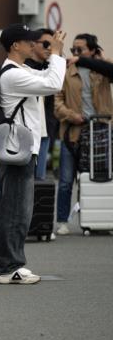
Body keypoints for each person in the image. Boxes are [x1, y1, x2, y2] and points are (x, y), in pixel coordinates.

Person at [0, 24, 66, 284]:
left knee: (10, 210)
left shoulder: (19, 70)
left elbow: (47, 77)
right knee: (16, 212)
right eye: (29, 41)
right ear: (15, 45)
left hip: (17, 149)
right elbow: (54, 83)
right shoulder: (13, 75)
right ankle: (8, 267)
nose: (34, 45)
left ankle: (3, 266)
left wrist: (52, 55)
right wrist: (56, 53)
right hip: (17, 151)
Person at [54, 33, 113, 236]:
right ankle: (62, 221)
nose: (75, 53)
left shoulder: (101, 71)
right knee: (66, 180)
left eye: (80, 50)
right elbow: (57, 102)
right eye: (73, 50)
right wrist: (72, 116)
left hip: (100, 133)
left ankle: (95, 221)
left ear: (92, 51)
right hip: (73, 133)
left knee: (97, 179)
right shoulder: (66, 71)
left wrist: (100, 59)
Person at [25, 29, 60, 180]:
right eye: (46, 44)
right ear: (33, 44)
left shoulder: (51, 66)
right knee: (26, 180)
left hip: (45, 130)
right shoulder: (24, 68)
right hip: (27, 132)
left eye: (53, 45)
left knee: (40, 180)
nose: (50, 49)